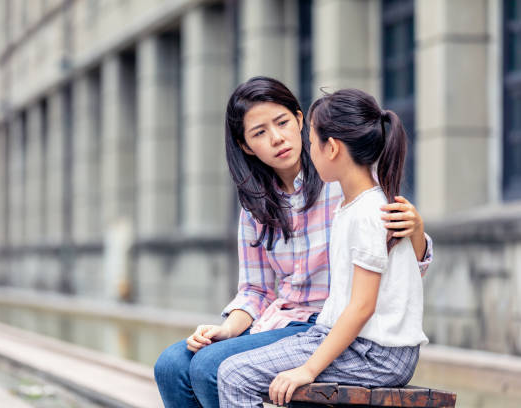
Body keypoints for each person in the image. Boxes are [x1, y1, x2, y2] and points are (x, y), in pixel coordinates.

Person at [154, 77, 432, 408]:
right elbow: (256, 290)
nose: (277, 138)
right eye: (259, 133)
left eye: (283, 123)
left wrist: (416, 230)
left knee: (210, 368)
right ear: (245, 146)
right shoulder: (255, 206)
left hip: (329, 324)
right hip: (282, 321)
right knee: (171, 366)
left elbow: (397, 263)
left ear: (300, 121)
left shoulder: (345, 187)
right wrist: (227, 329)